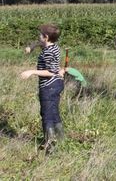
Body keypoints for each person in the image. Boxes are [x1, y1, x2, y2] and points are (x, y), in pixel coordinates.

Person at [20, 24, 66, 155]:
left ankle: (50, 147)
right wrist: (31, 47)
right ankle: (62, 140)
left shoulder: (47, 53)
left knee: (46, 115)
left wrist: (31, 72)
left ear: (46, 37)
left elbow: (50, 72)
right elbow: (40, 44)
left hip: (49, 86)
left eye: (40, 35)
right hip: (56, 83)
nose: (38, 37)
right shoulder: (54, 47)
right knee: (53, 112)